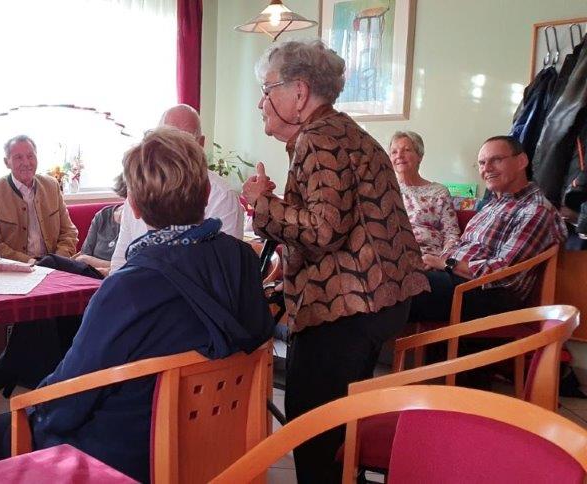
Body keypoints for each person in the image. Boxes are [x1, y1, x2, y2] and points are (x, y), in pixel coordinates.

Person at [0, 128, 274, 482]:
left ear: (132, 205)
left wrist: (30, 413)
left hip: (132, 455)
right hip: (222, 443)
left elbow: (70, 399)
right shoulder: (241, 260)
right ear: (207, 191)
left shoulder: (130, 287)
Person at [240, 40, 429, 483]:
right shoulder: (345, 132)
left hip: (347, 307)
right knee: (340, 424)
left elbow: (324, 230)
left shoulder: (318, 141)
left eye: (267, 89)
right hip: (379, 300)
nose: (260, 102)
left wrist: (260, 205)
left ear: (300, 92)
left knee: (313, 431)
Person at [410, 135, 567, 323]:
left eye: (496, 160)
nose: (487, 168)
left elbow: (504, 273)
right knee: (385, 281)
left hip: (488, 293)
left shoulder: (536, 210)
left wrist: (446, 264)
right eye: (482, 163)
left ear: (521, 161)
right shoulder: (493, 205)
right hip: (458, 281)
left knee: (397, 290)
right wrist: (436, 262)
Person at [109, 104, 244, 272]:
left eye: (184, 141)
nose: (174, 150)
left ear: (200, 144)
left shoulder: (222, 195)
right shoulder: (139, 188)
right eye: (165, 141)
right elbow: (119, 262)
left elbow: (224, 271)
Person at [0, 135, 79, 263]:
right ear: (6, 162)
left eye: (30, 156)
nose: (26, 163)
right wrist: (32, 263)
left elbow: (69, 232)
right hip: (17, 270)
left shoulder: (52, 185)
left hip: (55, 265)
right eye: (18, 157)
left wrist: (58, 260)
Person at [390, 131, 462, 256]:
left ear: (420, 156)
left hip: (428, 258)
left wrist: (441, 260)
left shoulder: (438, 192)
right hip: (392, 256)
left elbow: (451, 233)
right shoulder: (385, 189)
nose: (399, 155)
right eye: (394, 152)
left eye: (406, 150)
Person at [74, 175, 126, 276]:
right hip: (89, 276)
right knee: (49, 261)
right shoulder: (103, 215)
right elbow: (83, 256)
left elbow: (131, 268)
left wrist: (92, 262)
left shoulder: (146, 222)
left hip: (117, 280)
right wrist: (108, 266)